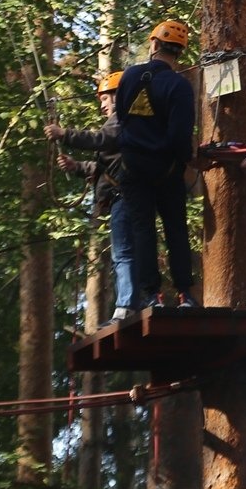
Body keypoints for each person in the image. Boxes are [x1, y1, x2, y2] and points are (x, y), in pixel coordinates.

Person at [116, 19, 198, 310]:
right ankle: (185, 294)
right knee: (175, 228)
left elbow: (122, 118)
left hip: (133, 169)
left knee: (143, 230)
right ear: (179, 52)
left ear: (153, 44)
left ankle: (151, 295)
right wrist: (187, 160)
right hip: (166, 171)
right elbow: (179, 134)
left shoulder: (128, 77)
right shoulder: (179, 86)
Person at [45, 71, 135, 321]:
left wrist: (65, 134)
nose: (102, 104)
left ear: (119, 96)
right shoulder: (125, 122)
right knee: (127, 251)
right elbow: (106, 165)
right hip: (124, 195)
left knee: (124, 253)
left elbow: (100, 140)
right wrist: (76, 167)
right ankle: (131, 303)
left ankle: (127, 305)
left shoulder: (123, 120)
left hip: (124, 196)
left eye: (105, 98)